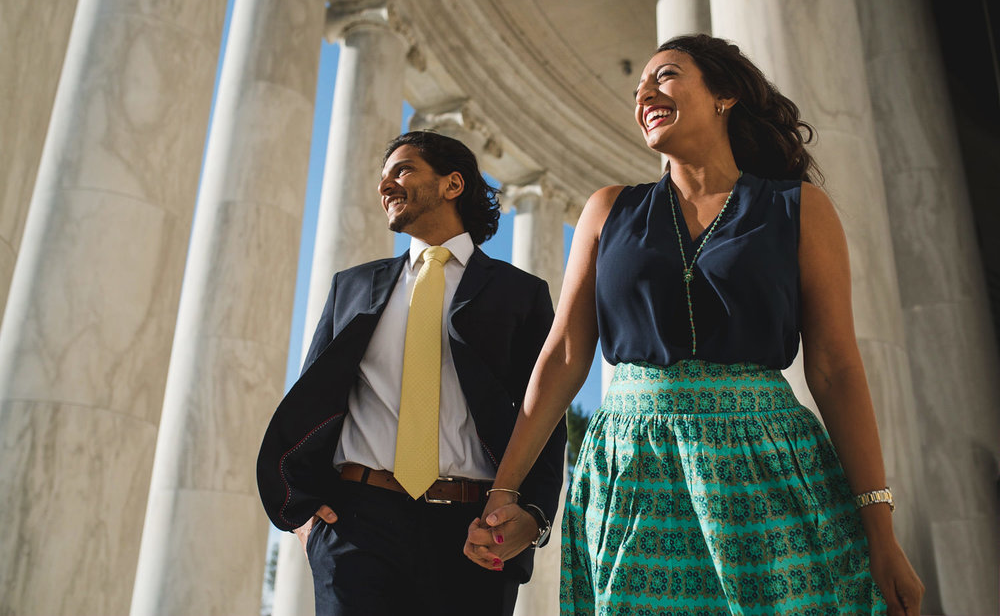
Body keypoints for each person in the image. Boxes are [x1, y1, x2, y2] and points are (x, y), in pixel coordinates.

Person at [463, 34, 925, 615]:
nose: (645, 95)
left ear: (724, 95)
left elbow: (834, 370)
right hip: (633, 473)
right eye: (638, 89)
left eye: (666, 76)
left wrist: (880, 533)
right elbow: (563, 356)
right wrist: (504, 491)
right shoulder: (608, 209)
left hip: (766, 469)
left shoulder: (800, 208)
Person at [257, 131, 566, 616]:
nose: (386, 185)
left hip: (472, 529)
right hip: (355, 524)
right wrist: (305, 516)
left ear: (452, 184)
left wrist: (535, 515)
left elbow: (545, 414)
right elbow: (312, 402)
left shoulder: (520, 293)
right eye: (383, 177)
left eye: (402, 170)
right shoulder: (352, 287)